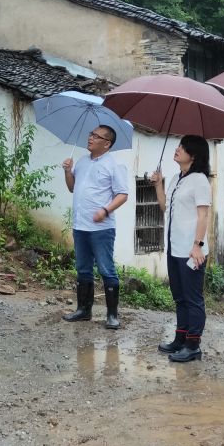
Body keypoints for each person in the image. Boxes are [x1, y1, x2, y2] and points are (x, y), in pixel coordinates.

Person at [60, 124, 129, 329]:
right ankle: (84, 310)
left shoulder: (114, 165)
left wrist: (105, 211)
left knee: (106, 269)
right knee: (83, 269)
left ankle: (112, 315)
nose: (90, 138)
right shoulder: (81, 162)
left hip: (102, 228)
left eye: (96, 136)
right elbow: (73, 188)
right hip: (80, 225)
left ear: (107, 143)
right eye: (90, 134)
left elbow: (122, 194)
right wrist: (67, 171)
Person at [151, 135, 212, 362]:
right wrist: (159, 185)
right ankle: (180, 338)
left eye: (182, 147)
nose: (177, 149)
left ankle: (193, 344)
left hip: (191, 250)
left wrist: (198, 246)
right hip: (175, 247)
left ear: (193, 156)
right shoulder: (178, 177)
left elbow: (203, 215)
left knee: (193, 297)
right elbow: (165, 206)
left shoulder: (200, 180)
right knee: (179, 296)